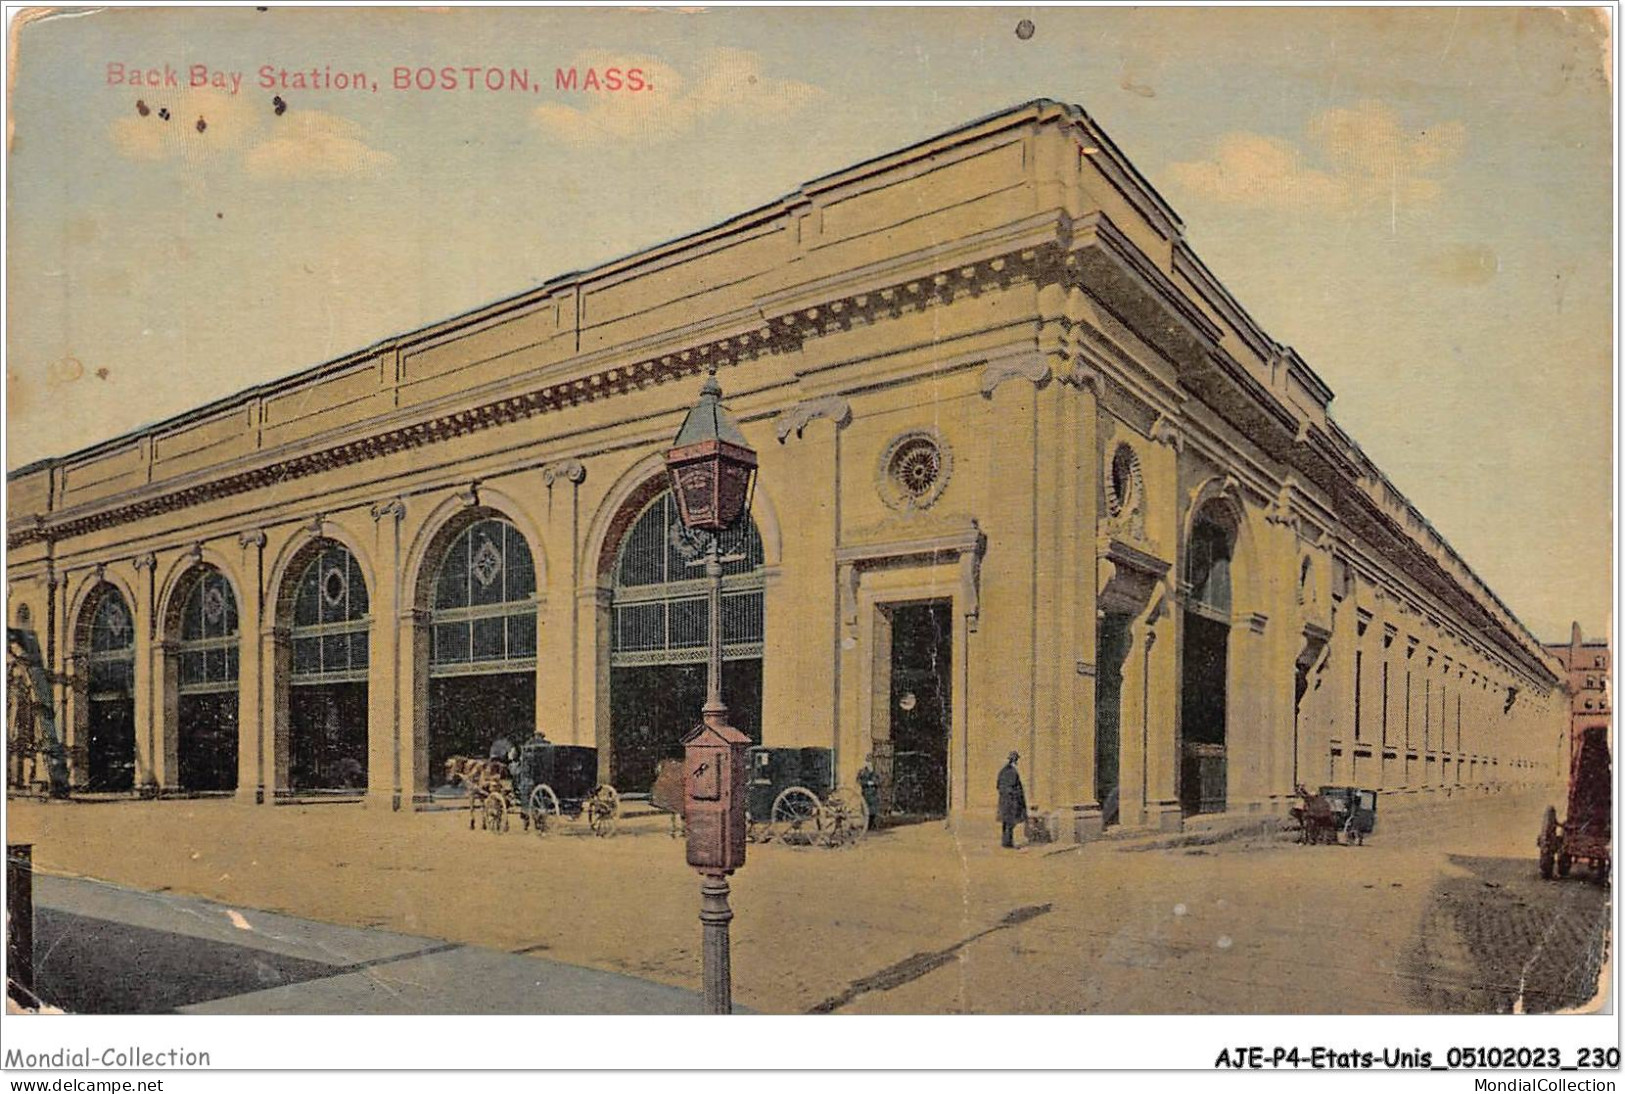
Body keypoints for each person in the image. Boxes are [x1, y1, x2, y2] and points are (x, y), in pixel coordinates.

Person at [997, 750, 1026, 849]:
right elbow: (1011, 787)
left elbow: (998, 786)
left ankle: (1006, 842)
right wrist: (1016, 795)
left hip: (1005, 800)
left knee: (1007, 822)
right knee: (1010, 822)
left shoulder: (1003, 770)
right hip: (1010, 801)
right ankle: (1007, 842)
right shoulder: (1011, 771)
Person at [856, 754, 881, 830]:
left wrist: (874, 783)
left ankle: (872, 826)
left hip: (873, 794)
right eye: (867, 761)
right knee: (865, 811)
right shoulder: (862, 772)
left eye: (870, 762)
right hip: (866, 793)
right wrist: (866, 783)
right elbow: (858, 780)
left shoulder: (876, 772)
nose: (868, 763)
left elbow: (879, 781)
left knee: (873, 811)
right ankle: (866, 826)